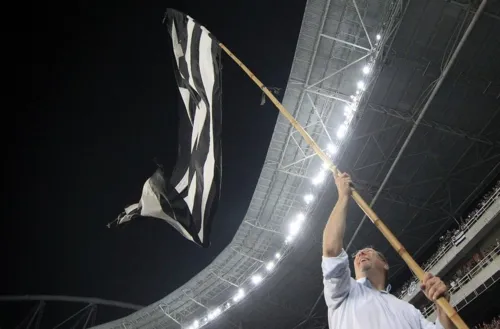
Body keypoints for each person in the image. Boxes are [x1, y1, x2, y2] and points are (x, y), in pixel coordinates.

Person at [322, 172, 457, 329]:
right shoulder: (343, 291)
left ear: (384, 263)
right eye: (357, 254)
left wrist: (442, 306)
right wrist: (343, 197)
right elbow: (331, 251)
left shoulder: (409, 310)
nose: (360, 253)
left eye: (368, 251)